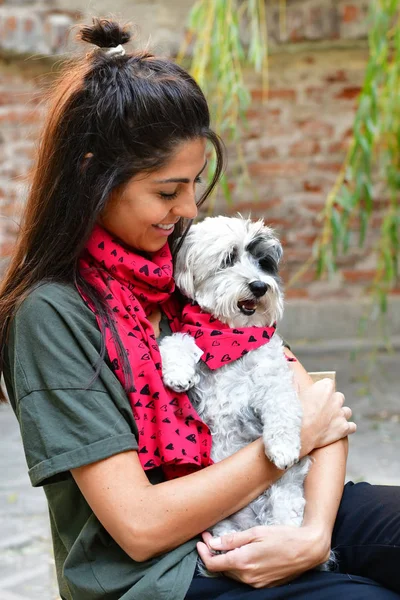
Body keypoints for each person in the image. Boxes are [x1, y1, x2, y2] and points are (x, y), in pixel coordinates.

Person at [0, 18, 399, 600]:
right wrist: (279, 450)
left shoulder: (186, 266)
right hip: (166, 567)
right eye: (167, 191)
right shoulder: (52, 316)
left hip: (278, 498)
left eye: (192, 184)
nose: (187, 208)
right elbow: (138, 527)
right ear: (92, 177)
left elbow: (318, 411)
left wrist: (313, 535)